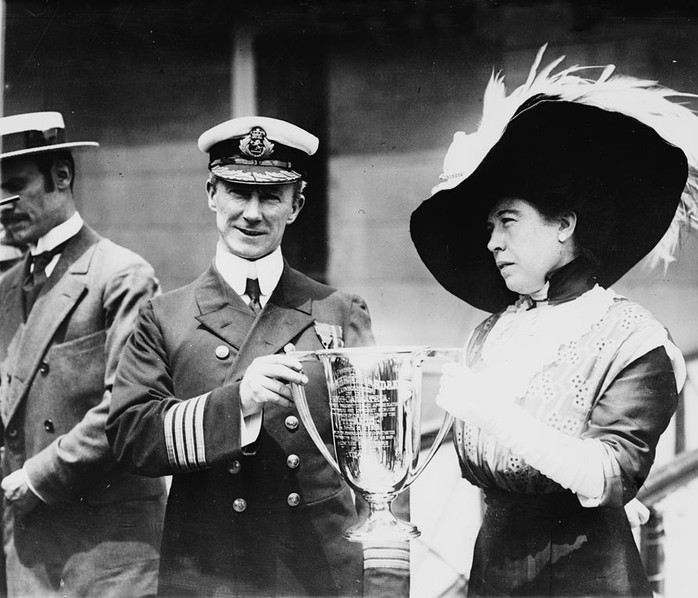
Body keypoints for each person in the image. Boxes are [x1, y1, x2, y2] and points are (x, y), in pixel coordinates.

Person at [409, 48, 698, 597]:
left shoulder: (633, 341)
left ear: (563, 223)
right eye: (490, 226)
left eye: (509, 221)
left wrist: (493, 413)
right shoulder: (493, 335)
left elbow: (609, 472)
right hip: (492, 575)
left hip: (588, 580)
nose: (492, 241)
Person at [106, 116, 408, 597]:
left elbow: (381, 460)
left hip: (316, 574)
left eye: (271, 196)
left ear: (297, 204)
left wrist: (386, 584)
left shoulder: (338, 311)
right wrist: (238, 402)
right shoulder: (163, 317)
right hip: (208, 572)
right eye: (236, 192)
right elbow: (131, 436)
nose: (252, 213)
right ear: (211, 194)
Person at [0, 111, 165, 597]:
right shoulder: (8, 288)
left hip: (108, 550)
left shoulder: (121, 276)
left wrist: (35, 476)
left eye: (13, 187)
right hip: (31, 550)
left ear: (62, 176)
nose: (2, 206)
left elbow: (124, 411)